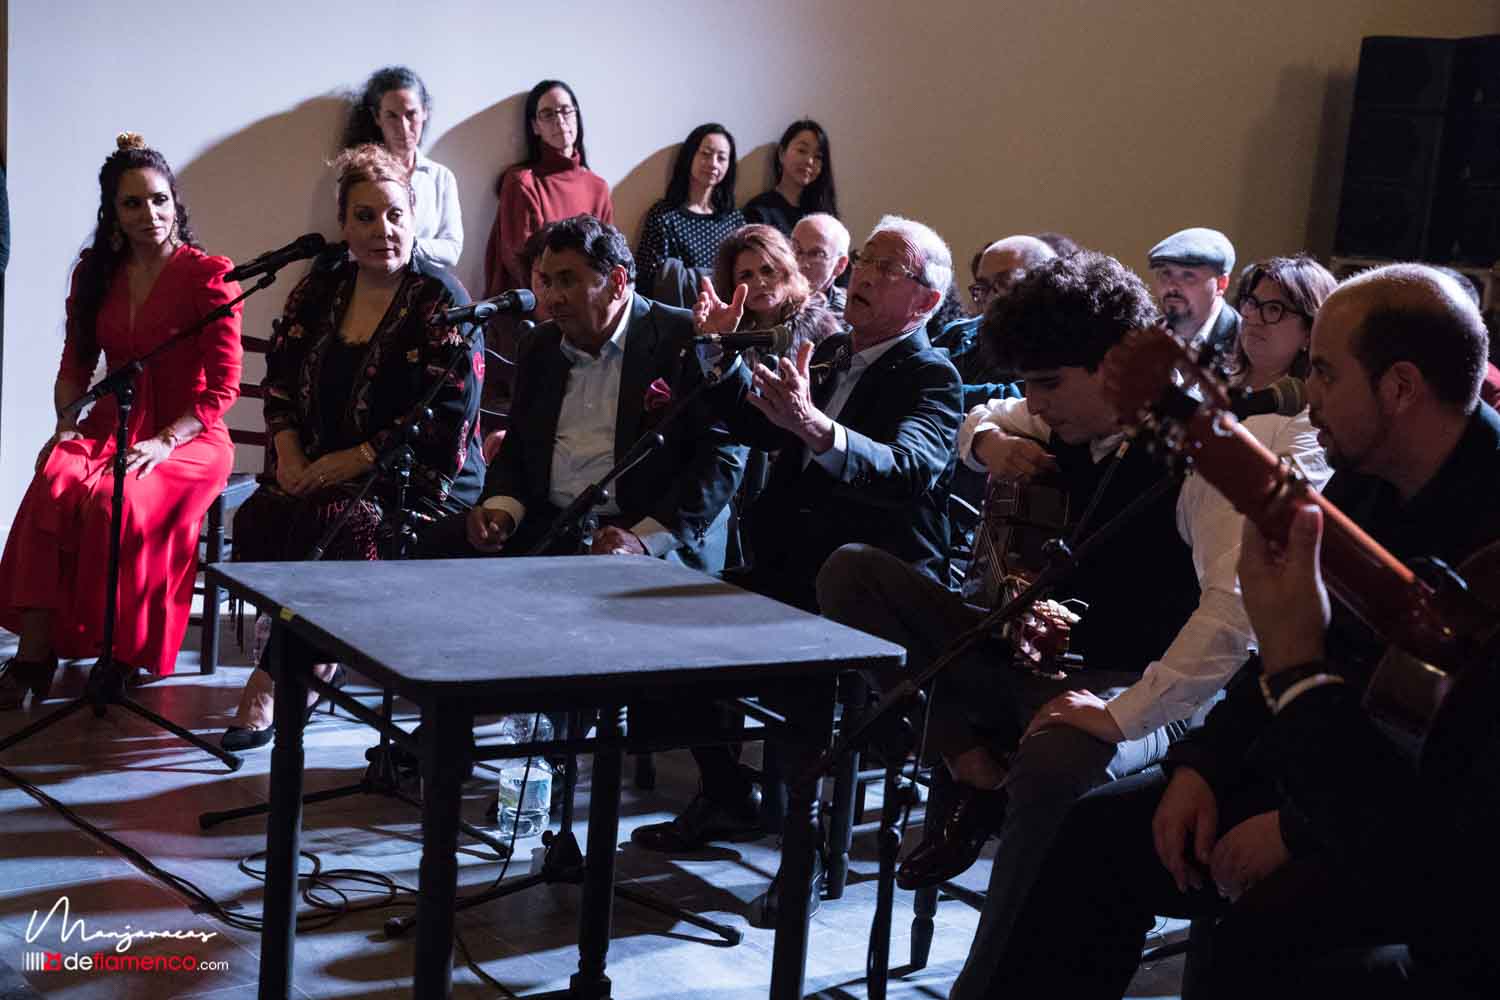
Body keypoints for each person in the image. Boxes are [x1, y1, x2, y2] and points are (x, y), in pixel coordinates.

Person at [816, 248, 1328, 998]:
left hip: (1143, 687)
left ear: (1117, 367)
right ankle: (971, 764)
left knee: (1059, 756)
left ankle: (990, 986)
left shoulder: (1202, 454)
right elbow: (982, 417)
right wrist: (991, 442)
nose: (1036, 401)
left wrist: (1121, 717)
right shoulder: (1059, 411)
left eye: (1049, 383)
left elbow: (1233, 612)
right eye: (1029, 383)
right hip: (1036, 665)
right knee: (853, 572)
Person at [988, 263, 1500, 1000]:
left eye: (1325, 372)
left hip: (1432, 840)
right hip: (1328, 763)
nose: (1308, 394)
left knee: (1257, 945)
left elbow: (1450, 787)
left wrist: (1295, 829)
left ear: (1400, 387)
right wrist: (1203, 765)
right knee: (1096, 839)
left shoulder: (1489, 526)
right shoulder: (1365, 478)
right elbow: (1282, 654)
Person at [631, 216, 963, 880]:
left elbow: (907, 469)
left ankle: (803, 853)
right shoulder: (835, 350)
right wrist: (721, 354)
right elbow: (758, 427)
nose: (863, 274)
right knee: (654, 634)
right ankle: (728, 792)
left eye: (887, 269)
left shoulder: (931, 376)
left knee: (801, 673)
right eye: (865, 258)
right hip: (789, 571)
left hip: (866, 592)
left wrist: (818, 428)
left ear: (925, 300)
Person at [219, 143, 485, 750]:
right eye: (365, 216)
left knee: (334, 520)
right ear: (343, 224)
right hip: (319, 466)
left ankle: (282, 675)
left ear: (413, 217)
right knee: (265, 512)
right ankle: (307, 656)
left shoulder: (442, 298)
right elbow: (280, 380)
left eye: (394, 215)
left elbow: (446, 415)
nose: (381, 230)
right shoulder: (320, 286)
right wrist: (289, 452)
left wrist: (355, 460)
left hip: (418, 478)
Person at [0, 133, 242, 704]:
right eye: (133, 203)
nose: (149, 214)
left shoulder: (210, 275)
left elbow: (223, 389)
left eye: (159, 200)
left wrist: (165, 441)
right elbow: (75, 364)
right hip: (111, 422)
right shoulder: (95, 273)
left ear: (175, 202)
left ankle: (122, 651)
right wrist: (65, 427)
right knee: (54, 482)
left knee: (119, 502)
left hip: (191, 435)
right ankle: (36, 652)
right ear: (112, 211)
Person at [419, 214, 746, 570]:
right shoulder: (540, 345)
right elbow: (518, 449)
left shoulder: (684, 336)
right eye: (546, 282)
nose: (551, 298)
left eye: (567, 281)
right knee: (426, 555)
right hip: (553, 528)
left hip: (653, 535)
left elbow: (722, 457)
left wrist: (643, 539)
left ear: (616, 281)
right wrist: (502, 509)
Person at [483, 79, 613, 299]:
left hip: (587, 304)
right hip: (538, 306)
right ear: (535, 126)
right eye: (548, 114)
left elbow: (606, 258)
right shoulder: (522, 182)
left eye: (566, 111)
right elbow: (521, 263)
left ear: (577, 116)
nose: (560, 121)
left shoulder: (598, 187)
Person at [342, 66, 462, 271]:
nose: (403, 128)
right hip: (375, 280)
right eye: (392, 116)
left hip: (428, 283)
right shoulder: (359, 176)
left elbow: (452, 250)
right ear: (377, 117)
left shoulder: (440, 177)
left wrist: (407, 244)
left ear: (425, 112)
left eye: (411, 114)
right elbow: (353, 243)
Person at [936, 235, 1057, 408]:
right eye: (982, 287)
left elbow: (1022, 397)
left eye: (1005, 283)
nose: (992, 298)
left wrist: (937, 393)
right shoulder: (957, 335)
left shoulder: (1059, 340)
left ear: (1045, 284)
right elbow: (919, 375)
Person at [634, 124, 746, 306]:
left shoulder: (734, 219)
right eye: (706, 154)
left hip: (728, 313)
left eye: (721, 158)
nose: (713, 163)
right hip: (678, 316)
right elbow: (647, 279)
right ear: (690, 156)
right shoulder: (664, 215)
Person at [713, 224, 842, 357]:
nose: (759, 283)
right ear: (732, 285)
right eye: (746, 276)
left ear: (787, 270)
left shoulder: (819, 324)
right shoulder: (724, 328)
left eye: (768, 271)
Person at [1148, 226, 1239, 361]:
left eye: (1188, 276)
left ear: (1221, 284)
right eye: (1166, 273)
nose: (1171, 286)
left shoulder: (1244, 344)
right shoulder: (1147, 337)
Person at [742, 120, 838, 236]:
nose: (809, 161)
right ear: (782, 154)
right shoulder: (759, 211)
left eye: (818, 156)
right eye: (802, 151)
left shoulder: (822, 214)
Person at [790, 212, 850, 314]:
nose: (800, 262)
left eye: (816, 254)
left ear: (840, 265)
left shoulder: (847, 314)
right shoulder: (768, 299)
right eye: (796, 249)